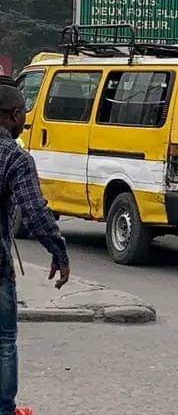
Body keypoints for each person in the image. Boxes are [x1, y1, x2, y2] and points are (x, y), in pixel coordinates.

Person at [0, 85, 70, 415]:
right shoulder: (15, 157)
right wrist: (58, 250)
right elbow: (36, 213)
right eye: (24, 114)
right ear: (14, 115)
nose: (25, 121)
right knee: (3, 342)